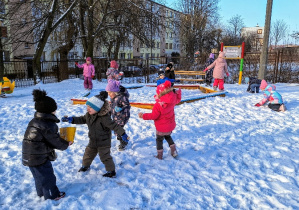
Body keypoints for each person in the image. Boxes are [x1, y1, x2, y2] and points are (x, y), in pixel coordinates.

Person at [61, 91, 129, 177]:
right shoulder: (88, 115)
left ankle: (111, 171)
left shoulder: (104, 118)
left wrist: (123, 133)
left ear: (98, 108)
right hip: (93, 140)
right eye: (87, 106)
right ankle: (85, 166)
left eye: (90, 107)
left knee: (105, 157)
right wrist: (72, 119)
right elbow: (82, 119)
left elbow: (114, 126)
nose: (88, 109)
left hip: (103, 142)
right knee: (88, 154)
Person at [22, 89, 72, 200]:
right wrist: (66, 143)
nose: (55, 111)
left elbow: (46, 139)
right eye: (54, 109)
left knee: (39, 177)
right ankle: (52, 195)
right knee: (47, 177)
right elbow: (55, 141)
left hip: (30, 156)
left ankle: (42, 193)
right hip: (39, 157)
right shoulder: (47, 124)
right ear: (49, 110)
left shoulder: (35, 120)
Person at [138, 80, 181, 160]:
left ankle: (159, 155)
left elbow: (154, 116)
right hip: (170, 125)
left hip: (161, 128)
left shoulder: (158, 105)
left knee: (159, 140)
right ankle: (173, 151)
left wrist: (143, 116)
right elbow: (178, 100)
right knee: (168, 136)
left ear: (160, 94)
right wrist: (177, 94)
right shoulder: (172, 101)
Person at [105, 79, 131, 151]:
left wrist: (121, 108)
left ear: (115, 92)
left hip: (123, 116)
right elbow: (112, 105)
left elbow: (127, 106)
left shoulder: (122, 97)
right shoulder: (113, 97)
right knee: (116, 130)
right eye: (108, 93)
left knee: (118, 129)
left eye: (110, 93)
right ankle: (123, 138)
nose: (109, 94)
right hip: (116, 116)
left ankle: (124, 141)